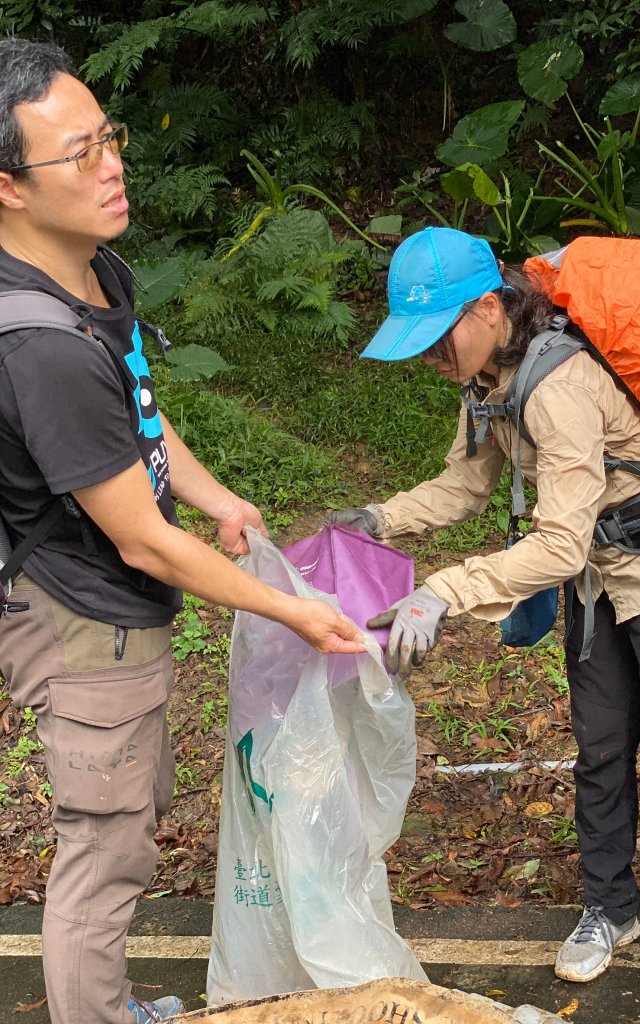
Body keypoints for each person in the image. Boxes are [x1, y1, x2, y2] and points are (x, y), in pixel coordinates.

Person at [0, 38, 364, 1024]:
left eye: (107, 138)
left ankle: (110, 998)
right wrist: (291, 609)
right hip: (81, 616)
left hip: (116, 604)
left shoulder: (91, 269)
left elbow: (142, 409)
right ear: (9, 189)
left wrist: (214, 497)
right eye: (75, 154)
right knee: (105, 845)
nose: (111, 164)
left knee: (133, 799)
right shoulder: (37, 348)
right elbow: (139, 539)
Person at [329, 225, 640, 983]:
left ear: (492, 309)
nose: (431, 356)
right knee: (599, 748)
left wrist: (442, 592)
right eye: (419, 341)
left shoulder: (560, 386)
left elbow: (559, 545)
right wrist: (380, 517)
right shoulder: (486, 385)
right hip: (600, 578)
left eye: (440, 335)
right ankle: (610, 907)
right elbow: (465, 485)